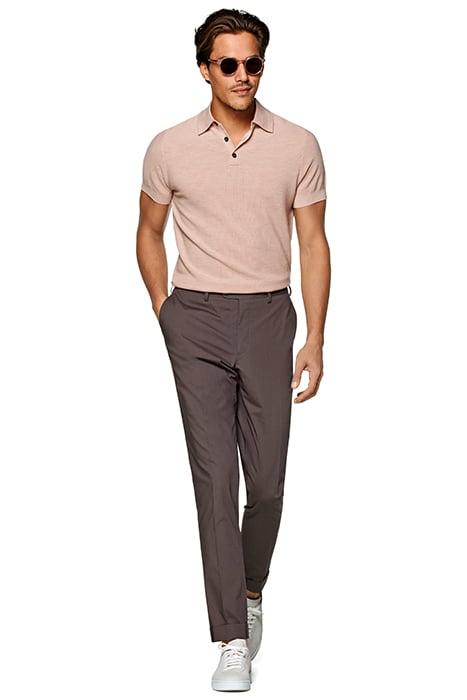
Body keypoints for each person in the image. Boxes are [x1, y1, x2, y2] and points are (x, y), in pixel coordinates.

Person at [136, 8, 330, 692]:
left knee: (267, 482)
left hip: (270, 317)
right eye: (228, 64)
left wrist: (315, 335)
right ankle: (230, 639)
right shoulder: (168, 147)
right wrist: (165, 309)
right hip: (195, 320)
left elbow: (313, 242)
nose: (242, 75)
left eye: (253, 63)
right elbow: (147, 230)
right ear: (204, 70)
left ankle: (249, 591)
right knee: (215, 479)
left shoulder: (298, 144)